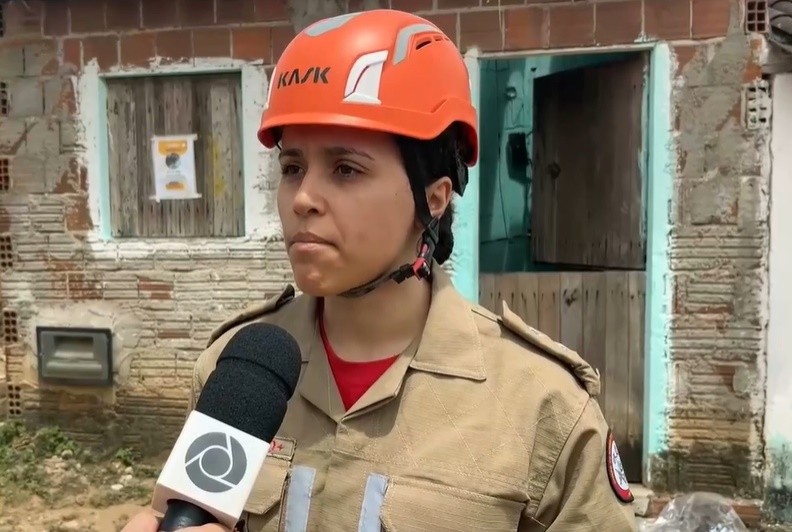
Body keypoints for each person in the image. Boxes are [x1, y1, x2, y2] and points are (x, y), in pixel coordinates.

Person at [187, 8, 639, 532]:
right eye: (292, 168)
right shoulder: (237, 375)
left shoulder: (541, 407)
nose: (304, 198)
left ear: (434, 197)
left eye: (346, 169)